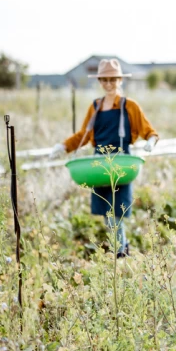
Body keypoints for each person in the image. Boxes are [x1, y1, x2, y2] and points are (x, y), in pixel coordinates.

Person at [49, 59, 159, 258]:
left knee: (116, 215)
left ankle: (120, 255)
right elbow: (83, 134)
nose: (108, 83)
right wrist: (63, 147)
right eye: (104, 80)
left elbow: (149, 131)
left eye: (113, 79)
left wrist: (150, 142)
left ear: (120, 80)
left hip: (121, 164)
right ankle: (122, 252)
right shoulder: (95, 107)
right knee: (107, 216)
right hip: (98, 166)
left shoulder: (130, 106)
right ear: (99, 81)